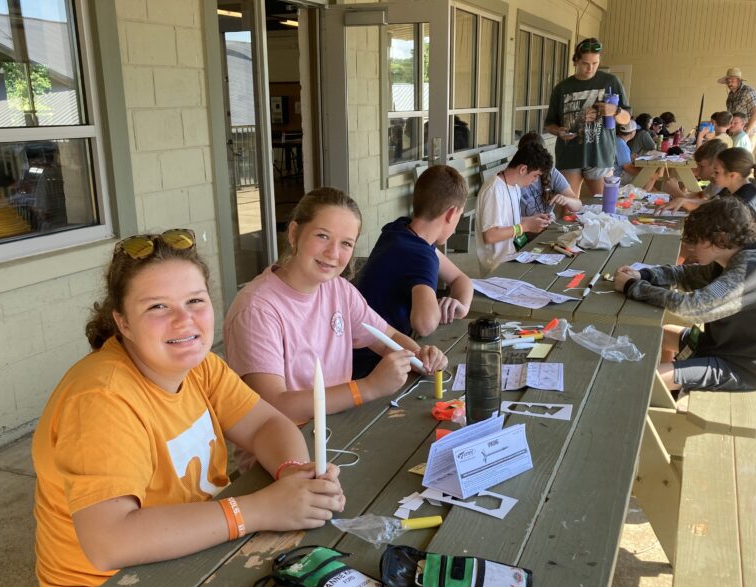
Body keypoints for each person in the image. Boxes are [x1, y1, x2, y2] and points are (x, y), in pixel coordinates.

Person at [31, 230, 364, 587]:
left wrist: (296, 473)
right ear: (121, 321)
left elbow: (267, 422)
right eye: (157, 307)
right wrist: (255, 509)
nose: (184, 322)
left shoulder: (197, 364)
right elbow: (108, 543)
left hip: (191, 564)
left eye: (195, 302)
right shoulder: (102, 400)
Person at [224, 187, 448, 441]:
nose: (333, 253)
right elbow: (276, 404)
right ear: (295, 233)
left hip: (337, 428)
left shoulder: (339, 289)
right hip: (285, 449)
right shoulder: (257, 309)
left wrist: (419, 356)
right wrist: (368, 388)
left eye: (346, 243)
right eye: (322, 236)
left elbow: (387, 337)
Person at [613, 196, 756, 393]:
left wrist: (633, 286)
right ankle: (667, 394)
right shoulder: (735, 258)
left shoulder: (747, 274)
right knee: (647, 333)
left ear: (720, 240)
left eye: (697, 241)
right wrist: (644, 274)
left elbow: (691, 307)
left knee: (641, 378)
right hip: (721, 346)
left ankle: (658, 400)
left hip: (742, 368)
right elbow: (687, 275)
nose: (691, 248)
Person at [352, 166, 474, 377]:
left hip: (368, 352)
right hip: (373, 367)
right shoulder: (420, 255)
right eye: (459, 217)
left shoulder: (400, 230)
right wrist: (436, 306)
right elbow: (425, 324)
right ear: (451, 213)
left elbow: (461, 279)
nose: (455, 228)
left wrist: (460, 305)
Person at [544, 37, 631, 197]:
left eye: (595, 63)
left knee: (603, 207)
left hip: (600, 155)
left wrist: (616, 111)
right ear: (575, 61)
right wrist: (559, 132)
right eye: (585, 63)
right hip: (569, 155)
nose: (590, 68)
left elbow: (627, 120)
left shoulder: (611, 81)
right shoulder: (562, 88)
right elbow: (549, 124)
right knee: (568, 208)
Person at [474, 141, 552, 273]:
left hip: (514, 255)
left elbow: (509, 223)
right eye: (535, 175)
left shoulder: (515, 186)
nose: (535, 180)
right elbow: (490, 235)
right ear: (523, 169)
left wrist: (532, 220)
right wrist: (526, 227)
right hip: (497, 265)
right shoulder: (494, 189)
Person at [516, 132, 582, 223]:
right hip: (525, 232)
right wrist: (530, 222)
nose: (535, 179)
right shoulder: (514, 179)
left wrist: (566, 200)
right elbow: (508, 221)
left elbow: (578, 205)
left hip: (548, 226)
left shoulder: (551, 173)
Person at [712, 147, 756, 241]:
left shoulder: (742, 204)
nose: (713, 175)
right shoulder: (734, 189)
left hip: (748, 252)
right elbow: (711, 206)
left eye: (717, 172)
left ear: (733, 175)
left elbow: (732, 241)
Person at [663, 138, 727, 211]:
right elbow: (700, 197)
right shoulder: (714, 183)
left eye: (701, 166)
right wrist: (684, 194)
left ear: (716, 166)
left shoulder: (721, 185)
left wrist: (676, 192)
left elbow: (703, 210)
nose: (697, 170)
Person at [720, 67, 756, 147]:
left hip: (752, 129)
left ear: (739, 80)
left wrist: (746, 131)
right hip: (738, 129)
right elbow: (731, 115)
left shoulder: (748, 91)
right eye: (728, 81)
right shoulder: (730, 96)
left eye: (732, 80)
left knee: (745, 155)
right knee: (736, 155)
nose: (729, 83)